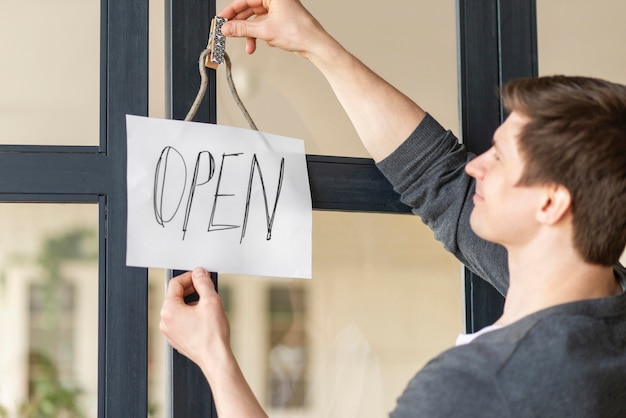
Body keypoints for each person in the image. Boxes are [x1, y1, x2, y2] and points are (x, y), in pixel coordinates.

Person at [160, 0, 626, 416]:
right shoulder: (603, 303)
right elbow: (436, 176)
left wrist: (214, 356)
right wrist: (314, 45)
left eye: (499, 157)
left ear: (550, 202)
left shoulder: (473, 388)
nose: (475, 166)